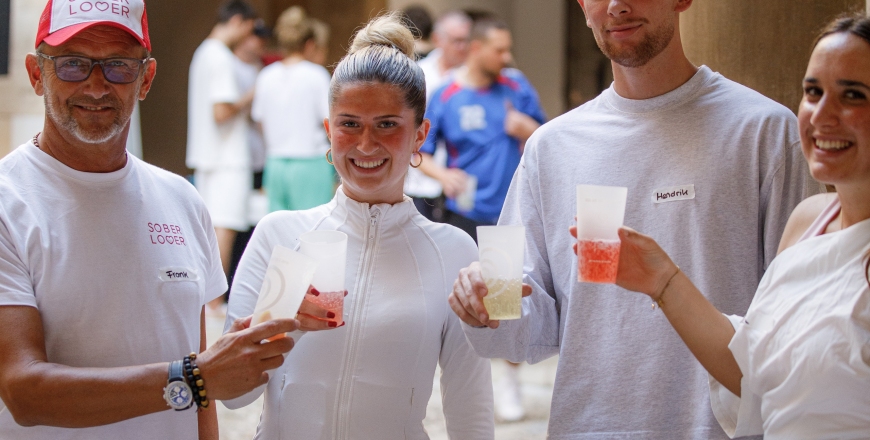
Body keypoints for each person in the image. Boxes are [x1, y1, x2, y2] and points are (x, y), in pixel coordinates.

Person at [449, 0, 819, 438]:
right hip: (589, 427)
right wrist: (484, 306)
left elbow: (799, 332)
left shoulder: (764, 133)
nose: (617, 6)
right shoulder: (552, 147)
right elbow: (521, 329)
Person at [0, 1, 300, 438]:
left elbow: (202, 397)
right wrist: (194, 377)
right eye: (72, 64)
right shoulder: (8, 201)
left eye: (119, 66)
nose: (97, 85)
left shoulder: (182, 200)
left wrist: (204, 376)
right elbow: (23, 391)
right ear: (35, 73)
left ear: (146, 79)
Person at [599, 13, 870, 438]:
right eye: (813, 92)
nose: (822, 116)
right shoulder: (810, 222)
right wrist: (663, 280)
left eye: (852, 95)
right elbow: (751, 372)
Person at [224, 14, 494, 439]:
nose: (366, 145)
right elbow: (232, 396)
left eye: (387, 124)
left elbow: (470, 404)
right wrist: (280, 322)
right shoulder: (281, 236)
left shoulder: (453, 250)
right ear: (329, 130)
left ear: (420, 134)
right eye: (349, 124)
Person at [419, 18, 546, 241]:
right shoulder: (446, 95)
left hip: (513, 210)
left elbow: (547, 141)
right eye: (499, 50)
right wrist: (444, 176)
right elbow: (420, 154)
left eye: (507, 50)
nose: (506, 57)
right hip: (465, 210)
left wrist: (528, 129)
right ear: (476, 48)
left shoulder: (516, 86)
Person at [186, 0, 258, 312]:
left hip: (209, 154)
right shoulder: (220, 57)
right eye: (248, 29)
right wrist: (252, 94)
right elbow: (222, 111)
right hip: (227, 156)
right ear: (238, 21)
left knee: (212, 227)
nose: (247, 37)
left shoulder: (203, 52)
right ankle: (214, 302)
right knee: (224, 227)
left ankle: (209, 301)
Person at [252, 6, 335, 213]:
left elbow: (259, 121)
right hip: (310, 161)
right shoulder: (316, 75)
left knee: (279, 227)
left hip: (275, 163)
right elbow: (330, 120)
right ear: (309, 44)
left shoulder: (266, 76)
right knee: (313, 225)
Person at [405, 10, 473, 222]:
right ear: (437, 39)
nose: (462, 47)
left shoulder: (473, 79)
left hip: (457, 184)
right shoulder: (416, 73)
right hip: (417, 180)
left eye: (466, 41)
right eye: (456, 41)